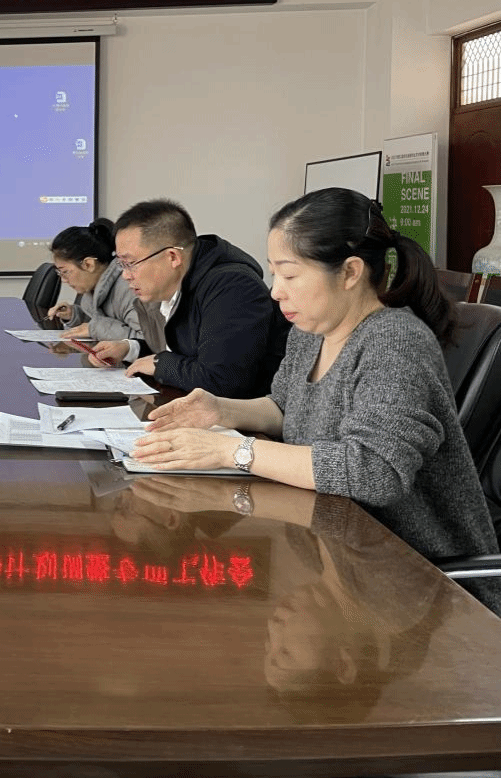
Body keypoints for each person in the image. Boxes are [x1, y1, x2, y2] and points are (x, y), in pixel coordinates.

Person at [132, 187, 501, 603]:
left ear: (350, 272)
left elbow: (374, 471)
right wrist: (220, 410)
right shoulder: (311, 332)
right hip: (342, 557)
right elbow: (285, 408)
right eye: (274, 273)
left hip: (420, 584)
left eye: (289, 275)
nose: (275, 291)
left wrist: (231, 451)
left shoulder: (395, 341)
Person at [90, 199, 289, 397]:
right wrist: (130, 349)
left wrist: (160, 364)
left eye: (131, 263)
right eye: (121, 264)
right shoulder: (169, 285)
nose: (125, 275)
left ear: (172, 257)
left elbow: (221, 380)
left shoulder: (232, 288)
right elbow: (179, 353)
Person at [45, 219, 142, 342]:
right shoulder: (93, 289)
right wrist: (75, 315)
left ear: (89, 264)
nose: (63, 280)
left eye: (65, 272)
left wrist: (94, 329)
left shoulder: (130, 289)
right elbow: (105, 320)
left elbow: (146, 341)